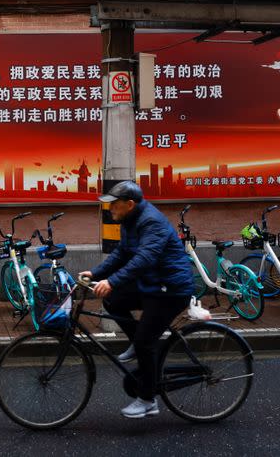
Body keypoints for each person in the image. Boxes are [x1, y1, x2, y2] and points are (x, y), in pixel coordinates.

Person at [79, 180, 193, 419]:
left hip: (170, 289)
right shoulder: (128, 221)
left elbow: (144, 259)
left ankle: (148, 400)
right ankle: (139, 342)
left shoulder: (151, 222)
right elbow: (121, 253)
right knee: (113, 300)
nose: (110, 210)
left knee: (145, 343)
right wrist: (96, 273)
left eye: (114, 205)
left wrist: (112, 281)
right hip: (151, 285)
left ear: (129, 204)